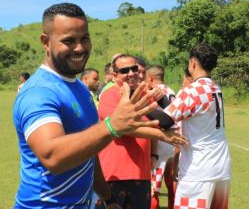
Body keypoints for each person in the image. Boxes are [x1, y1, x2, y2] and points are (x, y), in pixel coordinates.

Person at [12, 2, 161, 209]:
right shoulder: (38, 92)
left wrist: (108, 198)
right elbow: (52, 156)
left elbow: (89, 153)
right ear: (46, 42)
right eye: (69, 41)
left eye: (85, 38)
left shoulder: (81, 90)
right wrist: (112, 126)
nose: (80, 48)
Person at [96, 54, 188, 209]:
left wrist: (160, 99)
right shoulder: (109, 95)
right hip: (114, 173)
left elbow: (166, 121)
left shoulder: (143, 93)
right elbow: (126, 128)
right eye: (125, 70)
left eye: (134, 69)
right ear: (114, 75)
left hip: (141, 172)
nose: (131, 73)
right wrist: (163, 135)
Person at [164, 44, 231, 209]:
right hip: (221, 167)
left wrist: (147, 105)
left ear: (193, 63)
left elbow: (166, 120)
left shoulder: (192, 90)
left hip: (199, 170)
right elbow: (184, 108)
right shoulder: (215, 87)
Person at [145, 65, 177, 209]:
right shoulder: (171, 91)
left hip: (159, 140)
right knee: (170, 180)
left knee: (153, 188)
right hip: (173, 141)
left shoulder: (154, 93)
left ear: (150, 78)